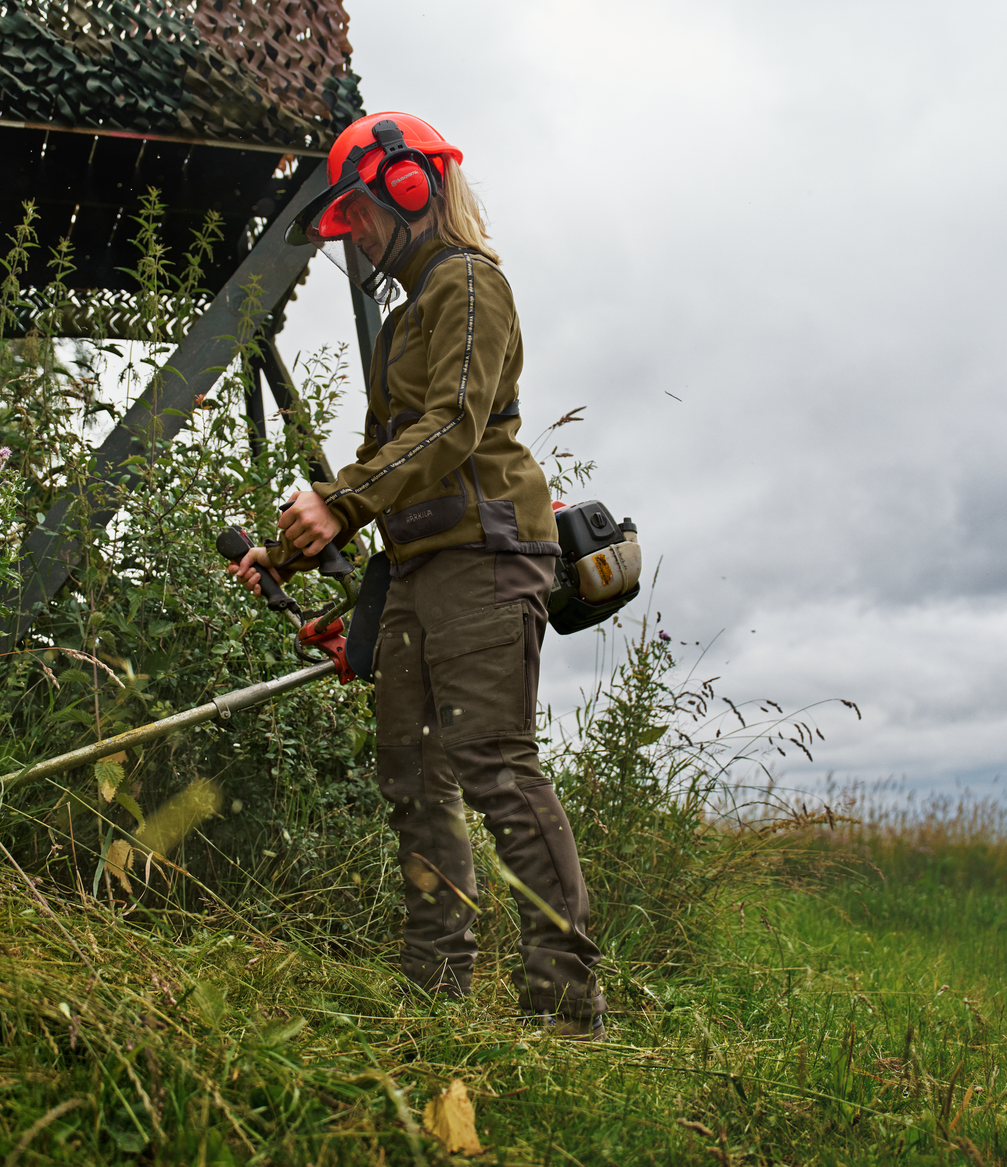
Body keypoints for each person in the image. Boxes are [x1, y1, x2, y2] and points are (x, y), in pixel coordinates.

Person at [226, 112, 606, 1038]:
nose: (352, 233)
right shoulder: (402, 320)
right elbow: (378, 459)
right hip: (416, 567)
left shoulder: (470, 282)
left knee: (495, 766)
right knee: (412, 772)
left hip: (485, 555)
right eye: (343, 219)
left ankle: (565, 1008)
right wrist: (285, 549)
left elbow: (454, 424)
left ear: (410, 187)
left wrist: (342, 502)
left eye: (359, 210)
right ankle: (434, 987)